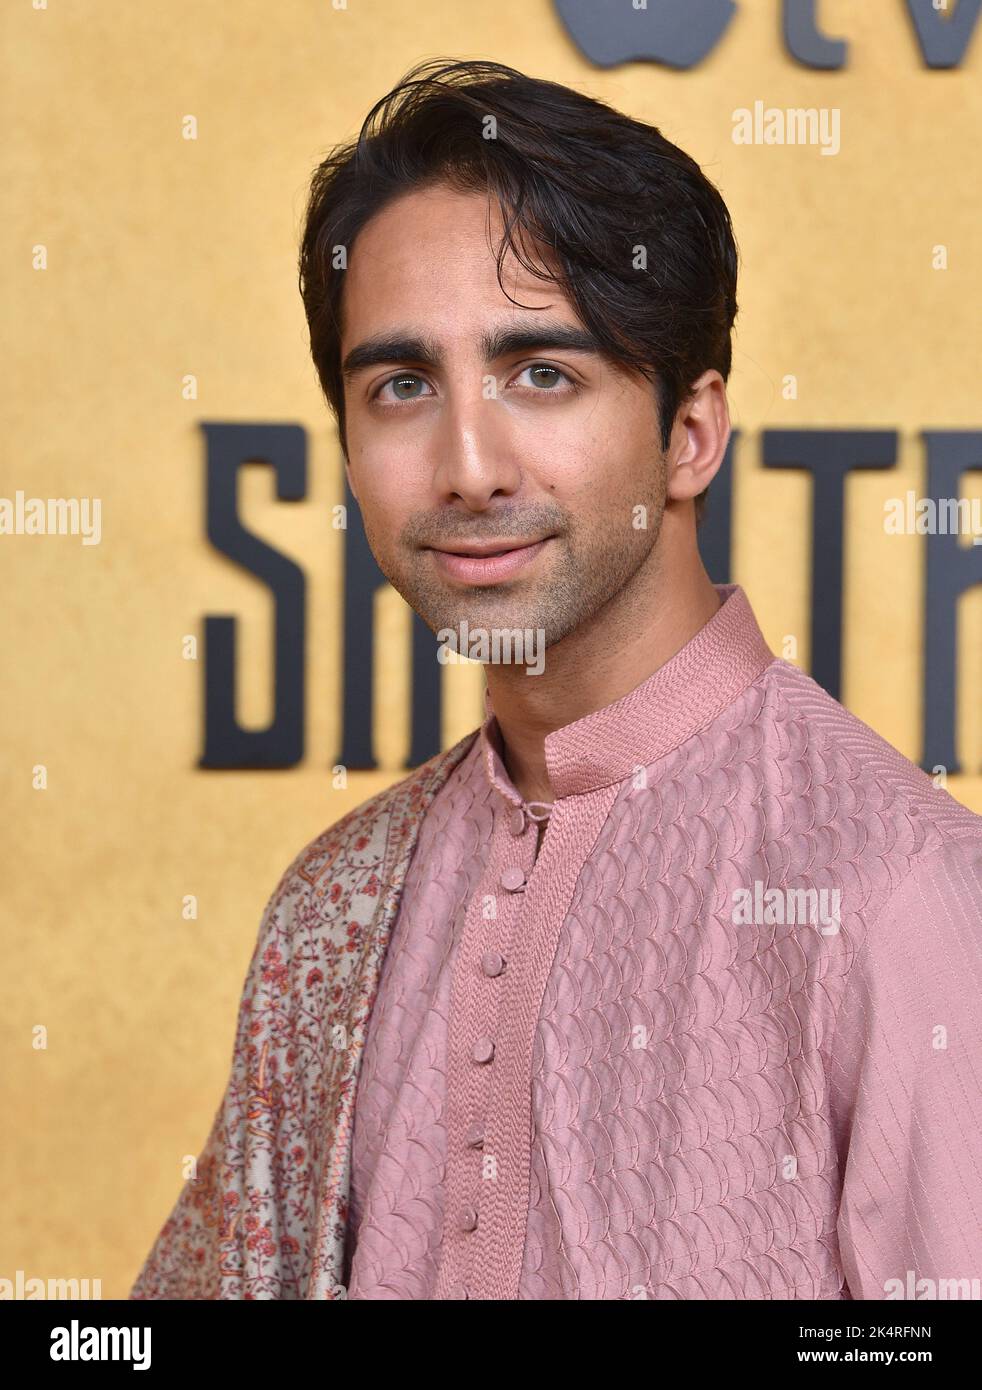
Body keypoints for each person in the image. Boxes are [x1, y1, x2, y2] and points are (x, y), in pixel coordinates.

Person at [131, 57, 982, 1301]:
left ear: (688, 435)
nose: (468, 467)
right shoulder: (334, 911)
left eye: (543, 373)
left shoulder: (901, 895)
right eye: (403, 386)